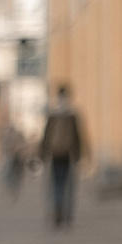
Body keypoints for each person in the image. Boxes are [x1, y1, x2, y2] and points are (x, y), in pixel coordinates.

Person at [38, 86, 88, 230]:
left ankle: (57, 208)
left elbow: (46, 136)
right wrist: (79, 155)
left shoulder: (52, 115)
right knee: (70, 185)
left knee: (56, 185)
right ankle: (68, 214)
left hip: (55, 155)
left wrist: (42, 154)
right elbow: (78, 136)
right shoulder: (72, 115)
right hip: (68, 155)